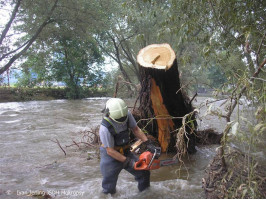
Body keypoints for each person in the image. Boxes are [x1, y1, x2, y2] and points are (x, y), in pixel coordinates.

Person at [99, 98, 155, 194]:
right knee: (109, 187)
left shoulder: (126, 114)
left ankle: (145, 195)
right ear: (108, 113)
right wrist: (128, 162)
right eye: (119, 119)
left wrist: (147, 142)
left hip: (125, 151)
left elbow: (136, 129)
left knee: (143, 172)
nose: (121, 120)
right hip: (110, 156)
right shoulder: (104, 128)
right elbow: (110, 151)